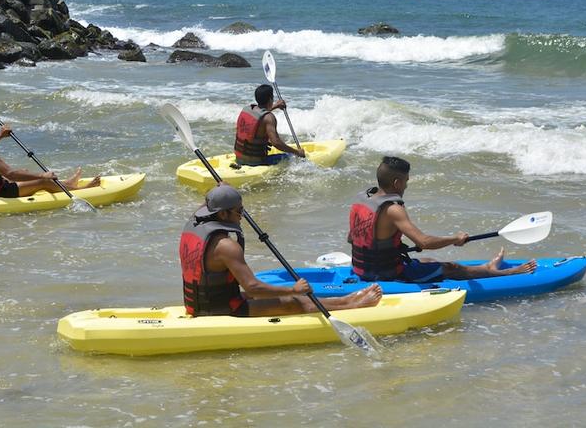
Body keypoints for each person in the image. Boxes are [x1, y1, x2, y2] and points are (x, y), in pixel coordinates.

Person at [180, 184, 382, 317]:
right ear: (223, 213)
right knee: (294, 302)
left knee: (265, 296)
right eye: (239, 211)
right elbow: (252, 287)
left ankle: (344, 299)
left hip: (200, 304)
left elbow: (208, 203)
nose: (242, 215)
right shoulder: (226, 246)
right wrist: (292, 289)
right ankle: (353, 306)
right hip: (222, 310)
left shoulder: (194, 223)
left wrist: (222, 190)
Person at [348, 156, 537, 283]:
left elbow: (354, 238)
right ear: (397, 183)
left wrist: (393, 248)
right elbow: (424, 241)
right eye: (406, 180)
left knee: (427, 260)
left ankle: (486, 268)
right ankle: (505, 273)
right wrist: (456, 239)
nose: (407, 184)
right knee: (449, 268)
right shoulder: (393, 209)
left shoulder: (362, 199)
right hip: (384, 275)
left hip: (361, 269)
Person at [0, 109, 100, 199]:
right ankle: (81, 191)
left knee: (26, 172)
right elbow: (10, 174)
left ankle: (68, 184)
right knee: (44, 181)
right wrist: (43, 175)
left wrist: (0, 136)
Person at [233, 84, 305, 166]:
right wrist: (296, 152)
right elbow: (276, 143)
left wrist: (276, 106)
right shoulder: (269, 118)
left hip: (239, 158)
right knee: (292, 157)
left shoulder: (247, 109)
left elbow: (260, 114)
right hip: (255, 162)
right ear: (270, 99)